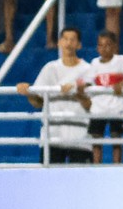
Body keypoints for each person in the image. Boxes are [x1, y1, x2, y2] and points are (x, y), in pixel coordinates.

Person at [16, 27, 93, 163]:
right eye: (65, 39)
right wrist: (28, 93)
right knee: (48, 183)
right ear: (59, 42)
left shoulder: (88, 70)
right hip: (52, 137)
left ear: (79, 44)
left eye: (72, 40)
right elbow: (38, 102)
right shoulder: (49, 68)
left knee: (81, 183)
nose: (68, 43)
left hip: (80, 138)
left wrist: (76, 92)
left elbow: (92, 106)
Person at [78, 30, 123, 164]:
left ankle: (117, 166)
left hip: (116, 107)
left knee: (116, 138)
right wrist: (84, 86)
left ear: (114, 46)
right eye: (100, 45)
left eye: (108, 45)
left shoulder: (122, 61)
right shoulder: (94, 63)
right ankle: (96, 166)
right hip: (98, 108)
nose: (104, 48)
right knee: (96, 138)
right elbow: (88, 81)